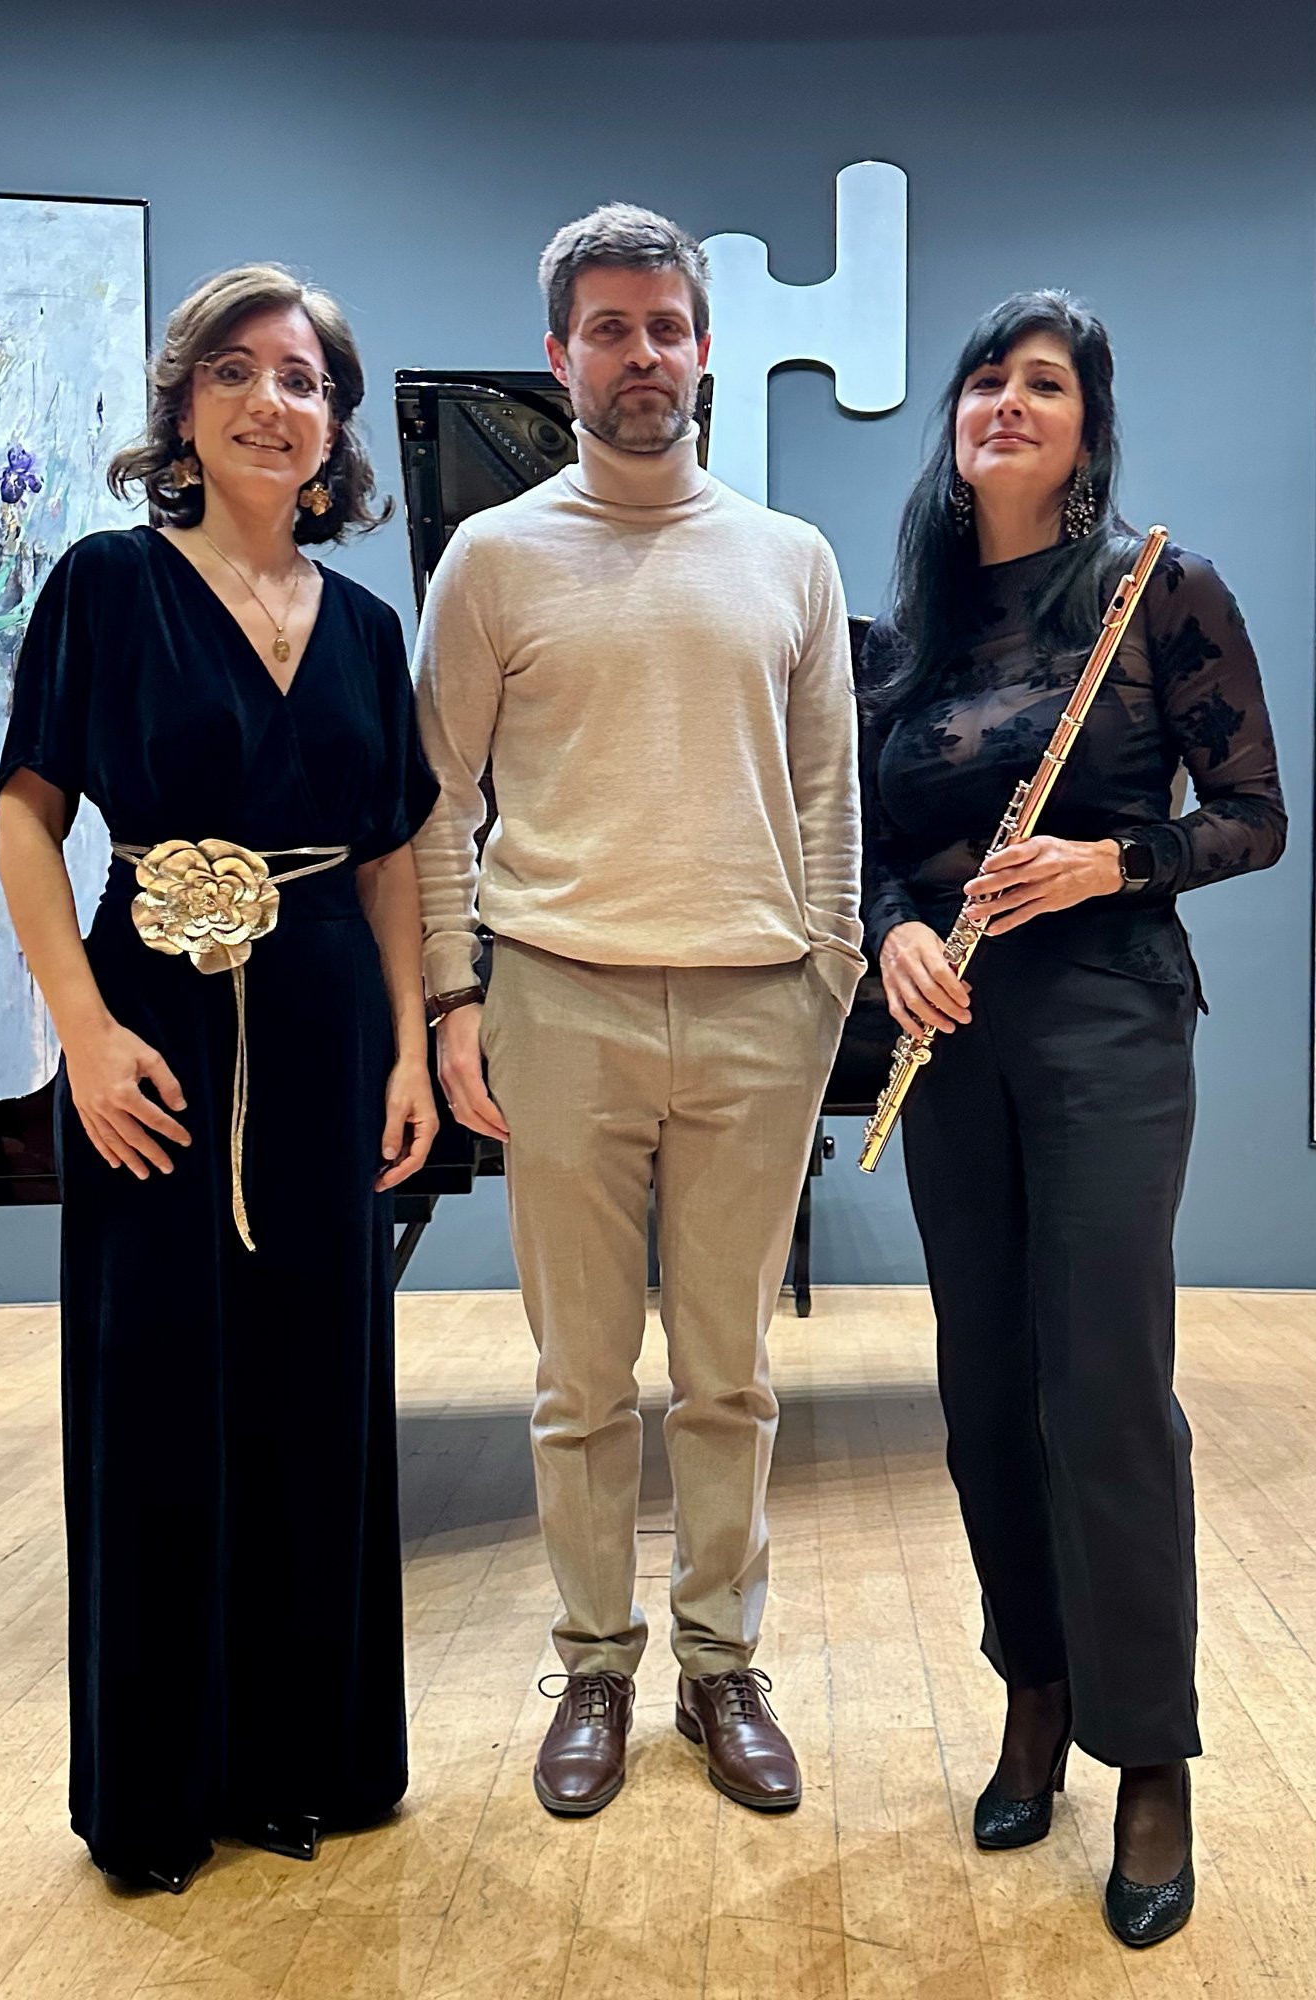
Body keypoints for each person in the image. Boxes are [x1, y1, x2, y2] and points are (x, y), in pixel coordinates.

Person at [413, 203, 863, 1818]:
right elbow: (437, 801)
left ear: (705, 344)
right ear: (561, 358)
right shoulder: (496, 558)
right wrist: (456, 998)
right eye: (608, 329)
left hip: (760, 1013)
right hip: (559, 1005)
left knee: (732, 1376)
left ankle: (721, 1669)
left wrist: (823, 980)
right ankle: (594, 1667)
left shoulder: (789, 559)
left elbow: (831, 801)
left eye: (665, 326)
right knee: (580, 1380)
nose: (642, 355)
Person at [0, 264, 438, 1892]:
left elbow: (390, 853)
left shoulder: (371, 625)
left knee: (320, 1391)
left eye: (306, 380)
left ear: (333, 429)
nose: (273, 402)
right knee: (158, 1387)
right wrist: (80, 1031)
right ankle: (160, 1789)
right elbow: (28, 816)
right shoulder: (107, 587)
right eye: (239, 372)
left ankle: (304, 1761)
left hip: (327, 1035)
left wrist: (407, 1043)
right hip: (150, 1035)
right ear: (186, 406)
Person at [858, 290, 1286, 1946]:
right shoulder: (912, 630)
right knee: (983, 1392)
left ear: (1087, 430)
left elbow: (1253, 815)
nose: (1011, 404)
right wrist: (899, 925)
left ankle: (1148, 1753)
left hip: (1109, 1014)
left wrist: (1109, 859)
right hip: (953, 1031)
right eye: (988, 381)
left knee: (1106, 1387)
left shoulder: (1158, 592)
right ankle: (1032, 1689)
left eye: (1048, 386)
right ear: (955, 422)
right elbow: (874, 839)